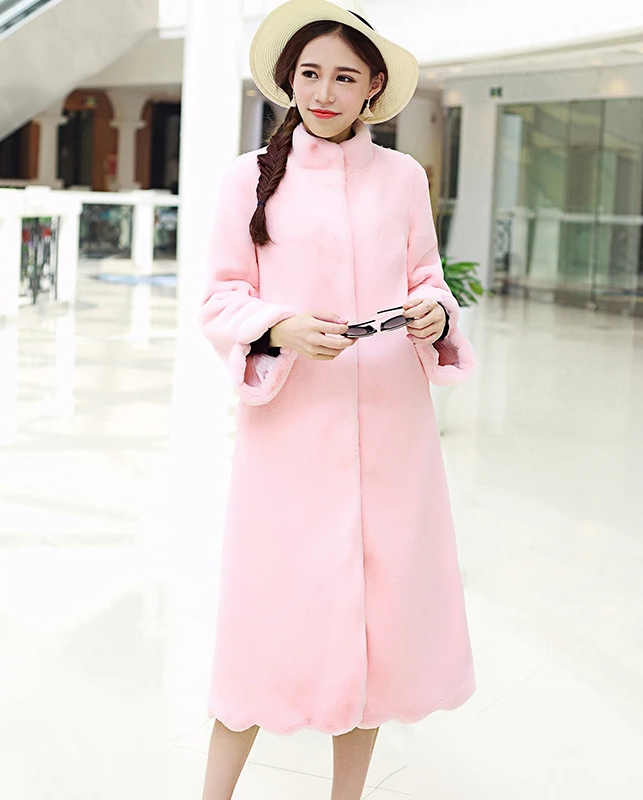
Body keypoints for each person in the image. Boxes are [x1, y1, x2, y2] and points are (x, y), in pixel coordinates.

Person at [197, 2, 477, 798]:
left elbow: (428, 278)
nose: (324, 93)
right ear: (289, 80)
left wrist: (435, 313)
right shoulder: (246, 178)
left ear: (373, 86)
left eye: (345, 77)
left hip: (391, 429)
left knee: (375, 629)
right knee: (266, 622)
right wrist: (278, 326)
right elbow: (220, 299)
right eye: (310, 74)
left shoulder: (403, 178)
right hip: (292, 433)